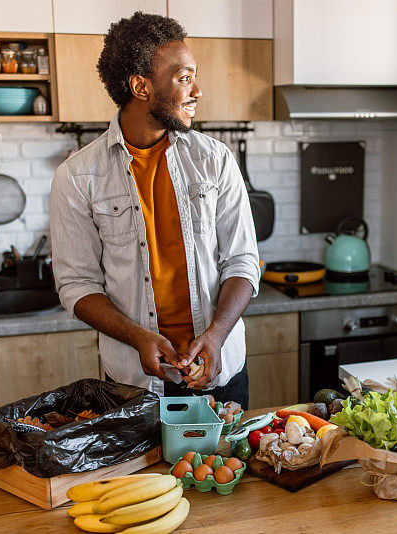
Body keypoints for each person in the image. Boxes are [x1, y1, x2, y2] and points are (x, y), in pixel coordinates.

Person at [50, 12, 259, 407]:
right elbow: (77, 285)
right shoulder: (77, 176)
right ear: (141, 86)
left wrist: (216, 334)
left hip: (220, 372)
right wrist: (137, 337)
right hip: (133, 382)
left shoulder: (215, 160)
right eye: (184, 77)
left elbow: (243, 261)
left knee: (228, 471)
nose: (197, 90)